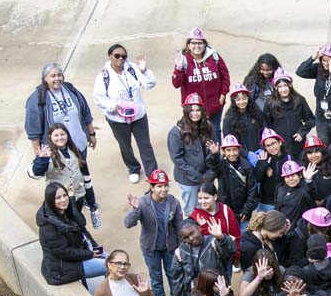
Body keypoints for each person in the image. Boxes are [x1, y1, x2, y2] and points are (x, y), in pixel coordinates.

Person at [93, 43, 157, 183]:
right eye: (117, 56)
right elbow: (98, 98)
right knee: (125, 145)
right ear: (110, 56)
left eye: (123, 56)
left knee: (145, 144)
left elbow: (150, 84)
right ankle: (133, 168)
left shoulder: (133, 69)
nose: (120, 58)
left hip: (138, 115)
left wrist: (145, 71)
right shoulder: (103, 76)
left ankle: (152, 173)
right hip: (118, 119)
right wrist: (113, 106)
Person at [124, 170, 186, 296]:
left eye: (165, 186)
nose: (163, 189)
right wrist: (134, 210)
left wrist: (180, 248)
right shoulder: (143, 202)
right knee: (156, 277)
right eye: (159, 186)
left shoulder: (173, 202)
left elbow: (179, 226)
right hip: (150, 248)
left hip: (170, 247)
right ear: (152, 187)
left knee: (173, 275)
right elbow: (128, 223)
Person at [25, 62, 96, 177]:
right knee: (62, 182)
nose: (57, 79)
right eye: (53, 76)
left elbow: (85, 112)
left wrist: (91, 134)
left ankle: (84, 195)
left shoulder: (70, 89)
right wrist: (39, 155)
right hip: (56, 150)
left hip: (78, 145)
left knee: (82, 177)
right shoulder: (37, 98)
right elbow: (33, 131)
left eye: (59, 75)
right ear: (45, 78)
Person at [37, 181, 104, 292]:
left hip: (79, 254)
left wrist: (95, 247)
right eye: (58, 198)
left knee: (115, 259)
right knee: (112, 266)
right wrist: (90, 254)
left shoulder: (66, 212)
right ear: (50, 201)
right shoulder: (48, 227)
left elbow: (82, 227)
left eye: (65, 195)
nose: (63, 200)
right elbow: (64, 252)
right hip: (62, 269)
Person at [31, 122, 100, 227]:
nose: (60, 138)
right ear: (50, 136)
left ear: (67, 135)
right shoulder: (46, 154)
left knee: (77, 223)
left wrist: (91, 201)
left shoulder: (76, 151)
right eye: (56, 135)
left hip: (78, 196)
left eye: (63, 134)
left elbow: (86, 177)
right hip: (60, 200)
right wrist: (42, 160)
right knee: (64, 226)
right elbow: (34, 173)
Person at [167, 94, 219, 214]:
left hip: (207, 177)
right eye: (191, 110)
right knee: (192, 211)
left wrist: (209, 174)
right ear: (186, 111)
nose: (195, 113)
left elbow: (214, 152)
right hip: (188, 180)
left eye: (197, 110)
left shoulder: (209, 127)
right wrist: (200, 178)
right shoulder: (176, 132)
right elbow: (178, 161)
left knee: (209, 208)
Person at [171, 28, 230, 131]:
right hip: (194, 111)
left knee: (214, 135)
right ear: (188, 45)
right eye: (193, 43)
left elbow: (225, 76)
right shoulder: (184, 60)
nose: (197, 46)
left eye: (200, 43)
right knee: (195, 138)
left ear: (204, 44)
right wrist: (179, 69)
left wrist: (222, 96)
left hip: (214, 108)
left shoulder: (214, 57)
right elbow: (176, 84)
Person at [296, 43, 331, 143]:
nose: (325, 64)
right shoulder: (319, 68)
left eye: (328, 61)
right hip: (321, 115)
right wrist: (313, 58)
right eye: (323, 60)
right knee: (323, 142)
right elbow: (300, 72)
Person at [265, 69, 316, 157]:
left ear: (290, 85)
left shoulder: (300, 100)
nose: (283, 89)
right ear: (276, 87)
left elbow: (311, 120)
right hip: (279, 147)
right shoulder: (270, 103)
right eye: (280, 86)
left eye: (285, 85)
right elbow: (266, 124)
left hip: (297, 146)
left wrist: (302, 132)